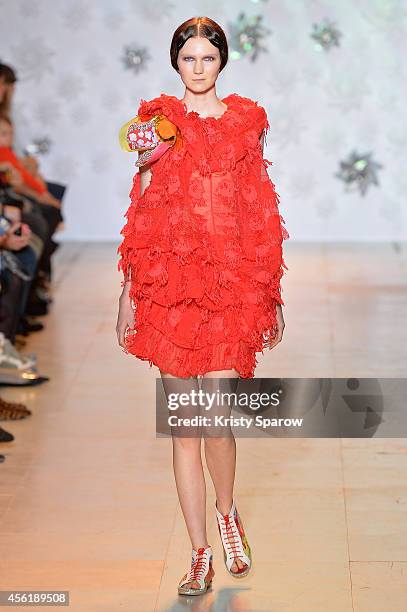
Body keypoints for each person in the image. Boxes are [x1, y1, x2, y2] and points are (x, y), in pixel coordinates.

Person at [116, 16, 289, 596]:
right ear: (175, 62)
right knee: (184, 428)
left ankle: (228, 512)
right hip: (169, 288)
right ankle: (198, 553)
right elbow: (140, 205)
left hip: (232, 285)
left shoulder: (246, 123)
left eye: (207, 59)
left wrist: (272, 291)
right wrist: (128, 292)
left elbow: (258, 204)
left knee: (217, 422)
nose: (197, 68)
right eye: (188, 59)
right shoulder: (153, 124)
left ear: (222, 62)